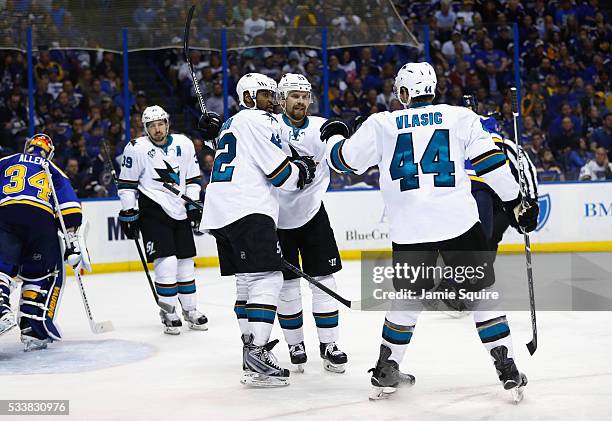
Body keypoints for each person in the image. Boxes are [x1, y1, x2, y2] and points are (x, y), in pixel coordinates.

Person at [320, 62, 538, 401]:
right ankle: (506, 366)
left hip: (410, 230)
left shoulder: (382, 123)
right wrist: (517, 203)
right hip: (459, 224)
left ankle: (386, 366)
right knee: (483, 294)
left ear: (404, 93)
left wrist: (334, 134)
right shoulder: (460, 117)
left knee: (408, 298)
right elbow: (492, 165)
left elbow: (342, 160)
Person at [200, 73, 316, 387]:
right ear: (250, 98)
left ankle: (250, 352)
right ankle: (257, 356)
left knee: (249, 282)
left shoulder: (234, 123)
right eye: (266, 94)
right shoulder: (257, 120)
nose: (273, 100)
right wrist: (301, 172)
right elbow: (280, 175)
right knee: (270, 277)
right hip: (247, 207)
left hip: (221, 209)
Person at [274, 73, 348, 373]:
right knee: (287, 287)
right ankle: (295, 344)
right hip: (277, 219)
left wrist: (344, 137)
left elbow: (343, 159)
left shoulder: (321, 127)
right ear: (282, 99)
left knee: (325, 282)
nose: (301, 101)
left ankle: (329, 345)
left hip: (313, 215)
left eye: (304, 96)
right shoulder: (268, 127)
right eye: (294, 96)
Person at [117, 105, 208, 335]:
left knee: (186, 263)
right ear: (145, 128)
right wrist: (129, 213)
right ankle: (168, 311)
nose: (157, 129)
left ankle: (190, 310)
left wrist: (194, 205)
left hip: (179, 209)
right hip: (153, 209)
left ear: (167, 124)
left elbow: (194, 179)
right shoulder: (136, 148)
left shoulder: (184, 144)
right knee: (166, 263)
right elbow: (127, 185)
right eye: (152, 126)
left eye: (160, 124)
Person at [0, 134, 85, 351]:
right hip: (41, 219)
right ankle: (32, 327)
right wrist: (72, 242)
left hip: (6, 213)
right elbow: (70, 208)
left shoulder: (8, 160)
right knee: (39, 273)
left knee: (3, 265)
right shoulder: (52, 168)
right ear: (49, 152)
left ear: (28, 147)